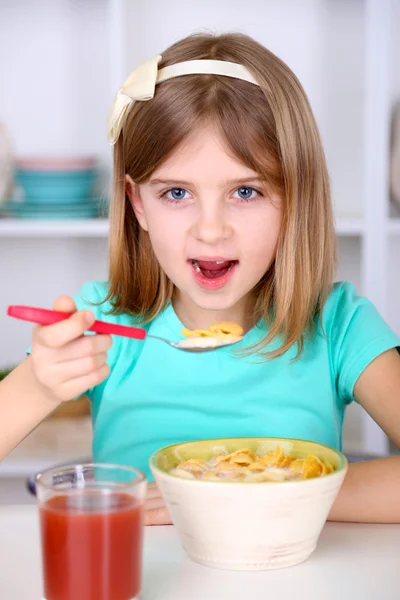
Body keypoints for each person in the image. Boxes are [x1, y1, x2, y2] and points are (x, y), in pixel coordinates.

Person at [1, 33, 400, 526]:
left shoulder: (340, 327)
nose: (211, 229)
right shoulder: (104, 323)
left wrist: (252, 493)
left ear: (295, 200)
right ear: (137, 203)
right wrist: (39, 385)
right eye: (175, 193)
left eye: (247, 191)